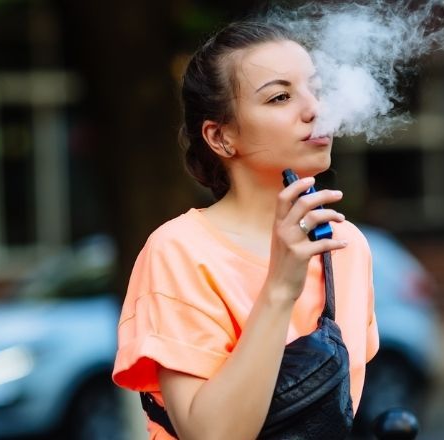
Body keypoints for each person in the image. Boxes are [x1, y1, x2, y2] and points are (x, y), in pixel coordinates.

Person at [111, 21, 379, 439]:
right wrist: (280, 288)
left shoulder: (348, 248)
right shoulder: (179, 251)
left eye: (315, 88)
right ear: (221, 137)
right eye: (280, 97)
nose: (314, 109)